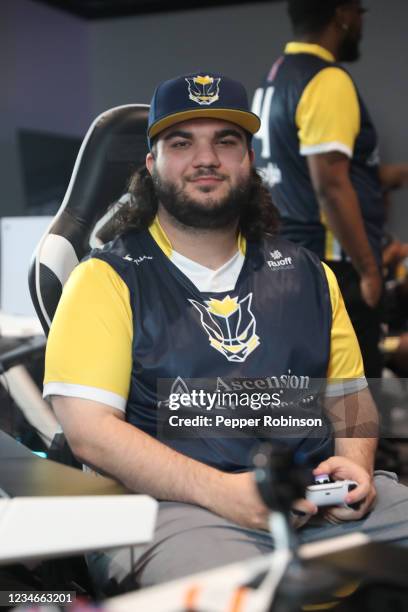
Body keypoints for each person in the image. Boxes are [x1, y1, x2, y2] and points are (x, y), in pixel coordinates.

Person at [44, 71, 408, 591]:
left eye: (226, 141)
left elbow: (350, 398)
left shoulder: (311, 275)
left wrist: (354, 466)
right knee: (233, 597)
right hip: (180, 514)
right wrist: (224, 492)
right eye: (181, 142)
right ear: (152, 164)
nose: (206, 158)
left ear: (249, 161)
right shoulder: (106, 279)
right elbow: (90, 433)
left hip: (319, 504)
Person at [252, 0, 395, 380]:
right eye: (359, 13)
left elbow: (304, 172)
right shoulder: (327, 79)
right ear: (342, 15)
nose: (361, 22)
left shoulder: (277, 75)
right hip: (332, 265)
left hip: (286, 256)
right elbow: (331, 185)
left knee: (305, 394)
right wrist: (369, 270)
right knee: (354, 396)